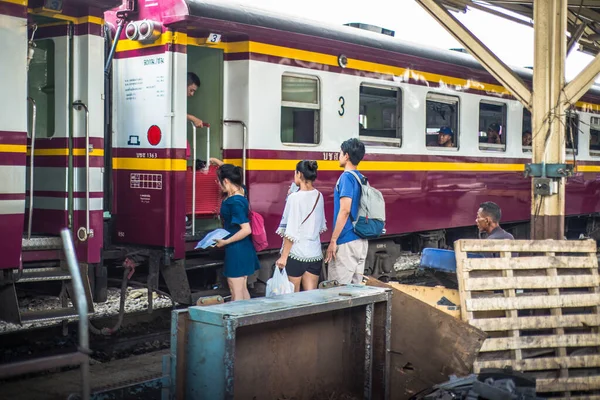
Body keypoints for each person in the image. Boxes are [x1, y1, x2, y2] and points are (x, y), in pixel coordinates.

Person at [275, 161, 326, 292]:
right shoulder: (319, 196)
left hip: (296, 254)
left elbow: (291, 231)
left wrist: (284, 256)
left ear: (299, 174)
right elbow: (320, 226)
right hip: (314, 254)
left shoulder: (294, 198)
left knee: (294, 299)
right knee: (311, 298)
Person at [325, 138, 368, 284]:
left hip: (346, 242)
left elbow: (344, 210)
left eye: (340, 152)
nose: (338, 155)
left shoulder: (346, 178)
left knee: (339, 292)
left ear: (347, 155)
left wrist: (333, 239)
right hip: (361, 240)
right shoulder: (361, 178)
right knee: (356, 293)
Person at [214, 164, 260, 301]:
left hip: (236, 249)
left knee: (236, 293)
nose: (218, 184)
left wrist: (225, 241)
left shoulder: (233, 202)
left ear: (226, 181)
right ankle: (249, 321)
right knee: (243, 289)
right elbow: (232, 171)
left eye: (219, 180)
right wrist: (216, 161)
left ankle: (237, 321)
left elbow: (246, 229)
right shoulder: (241, 190)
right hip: (244, 247)